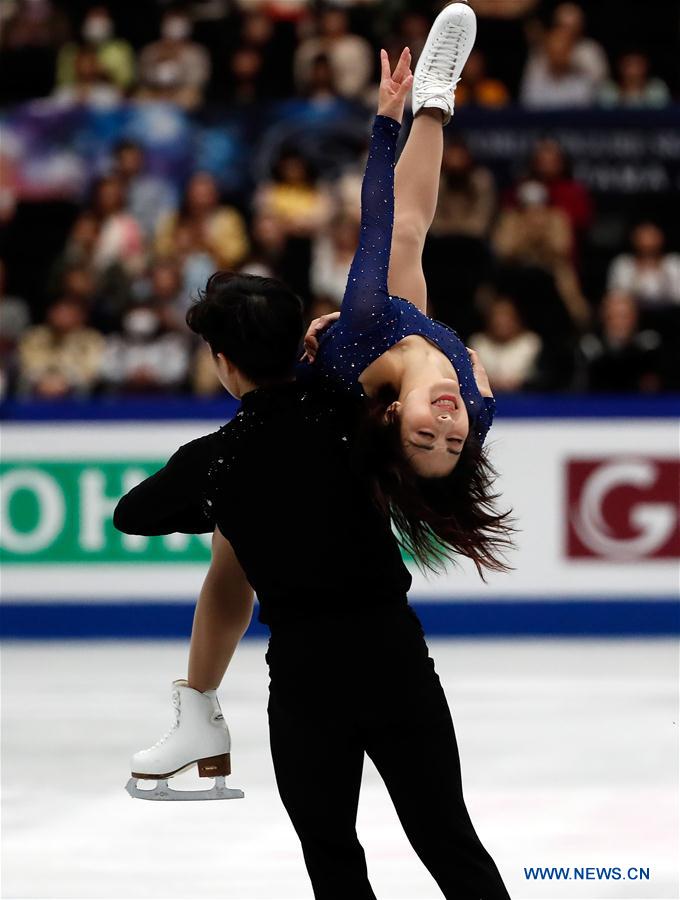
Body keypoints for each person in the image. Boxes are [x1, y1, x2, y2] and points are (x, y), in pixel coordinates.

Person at [116, 13, 512, 898]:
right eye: (446, 426)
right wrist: (396, 119)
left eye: (437, 429)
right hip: (382, 646)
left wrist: (385, 124)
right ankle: (440, 105)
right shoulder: (440, 395)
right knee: (403, 245)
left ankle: (197, 709)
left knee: (237, 531)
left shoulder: (327, 398)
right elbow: (386, 224)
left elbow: (383, 219)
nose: (447, 421)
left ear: (225, 364)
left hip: (308, 657)